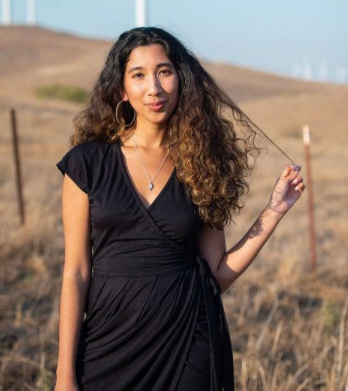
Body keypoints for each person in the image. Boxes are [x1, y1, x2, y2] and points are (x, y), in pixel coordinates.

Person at [54, 27, 305, 391]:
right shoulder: (87, 164)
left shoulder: (200, 166)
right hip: (108, 344)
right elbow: (75, 273)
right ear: (121, 91)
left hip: (189, 338)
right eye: (138, 75)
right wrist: (64, 376)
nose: (154, 87)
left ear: (181, 81)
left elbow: (216, 273)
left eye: (164, 71)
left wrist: (274, 211)